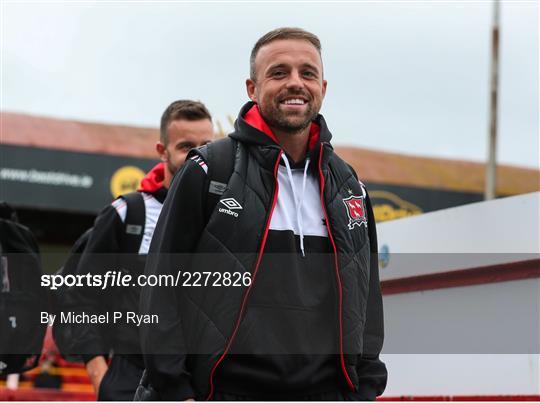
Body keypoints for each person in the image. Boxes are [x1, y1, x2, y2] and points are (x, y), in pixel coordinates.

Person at [140, 28, 387, 401]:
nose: (295, 84)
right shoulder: (209, 171)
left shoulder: (349, 187)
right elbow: (160, 287)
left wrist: (364, 389)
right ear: (252, 89)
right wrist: (175, 390)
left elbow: (367, 302)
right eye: (278, 72)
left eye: (307, 73)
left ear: (323, 86)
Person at [70, 100, 214, 400]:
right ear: (162, 152)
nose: (198, 156)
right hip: (132, 377)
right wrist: (100, 374)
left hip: (203, 380)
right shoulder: (126, 213)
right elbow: (80, 296)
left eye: (207, 146)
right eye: (187, 147)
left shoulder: (224, 215)